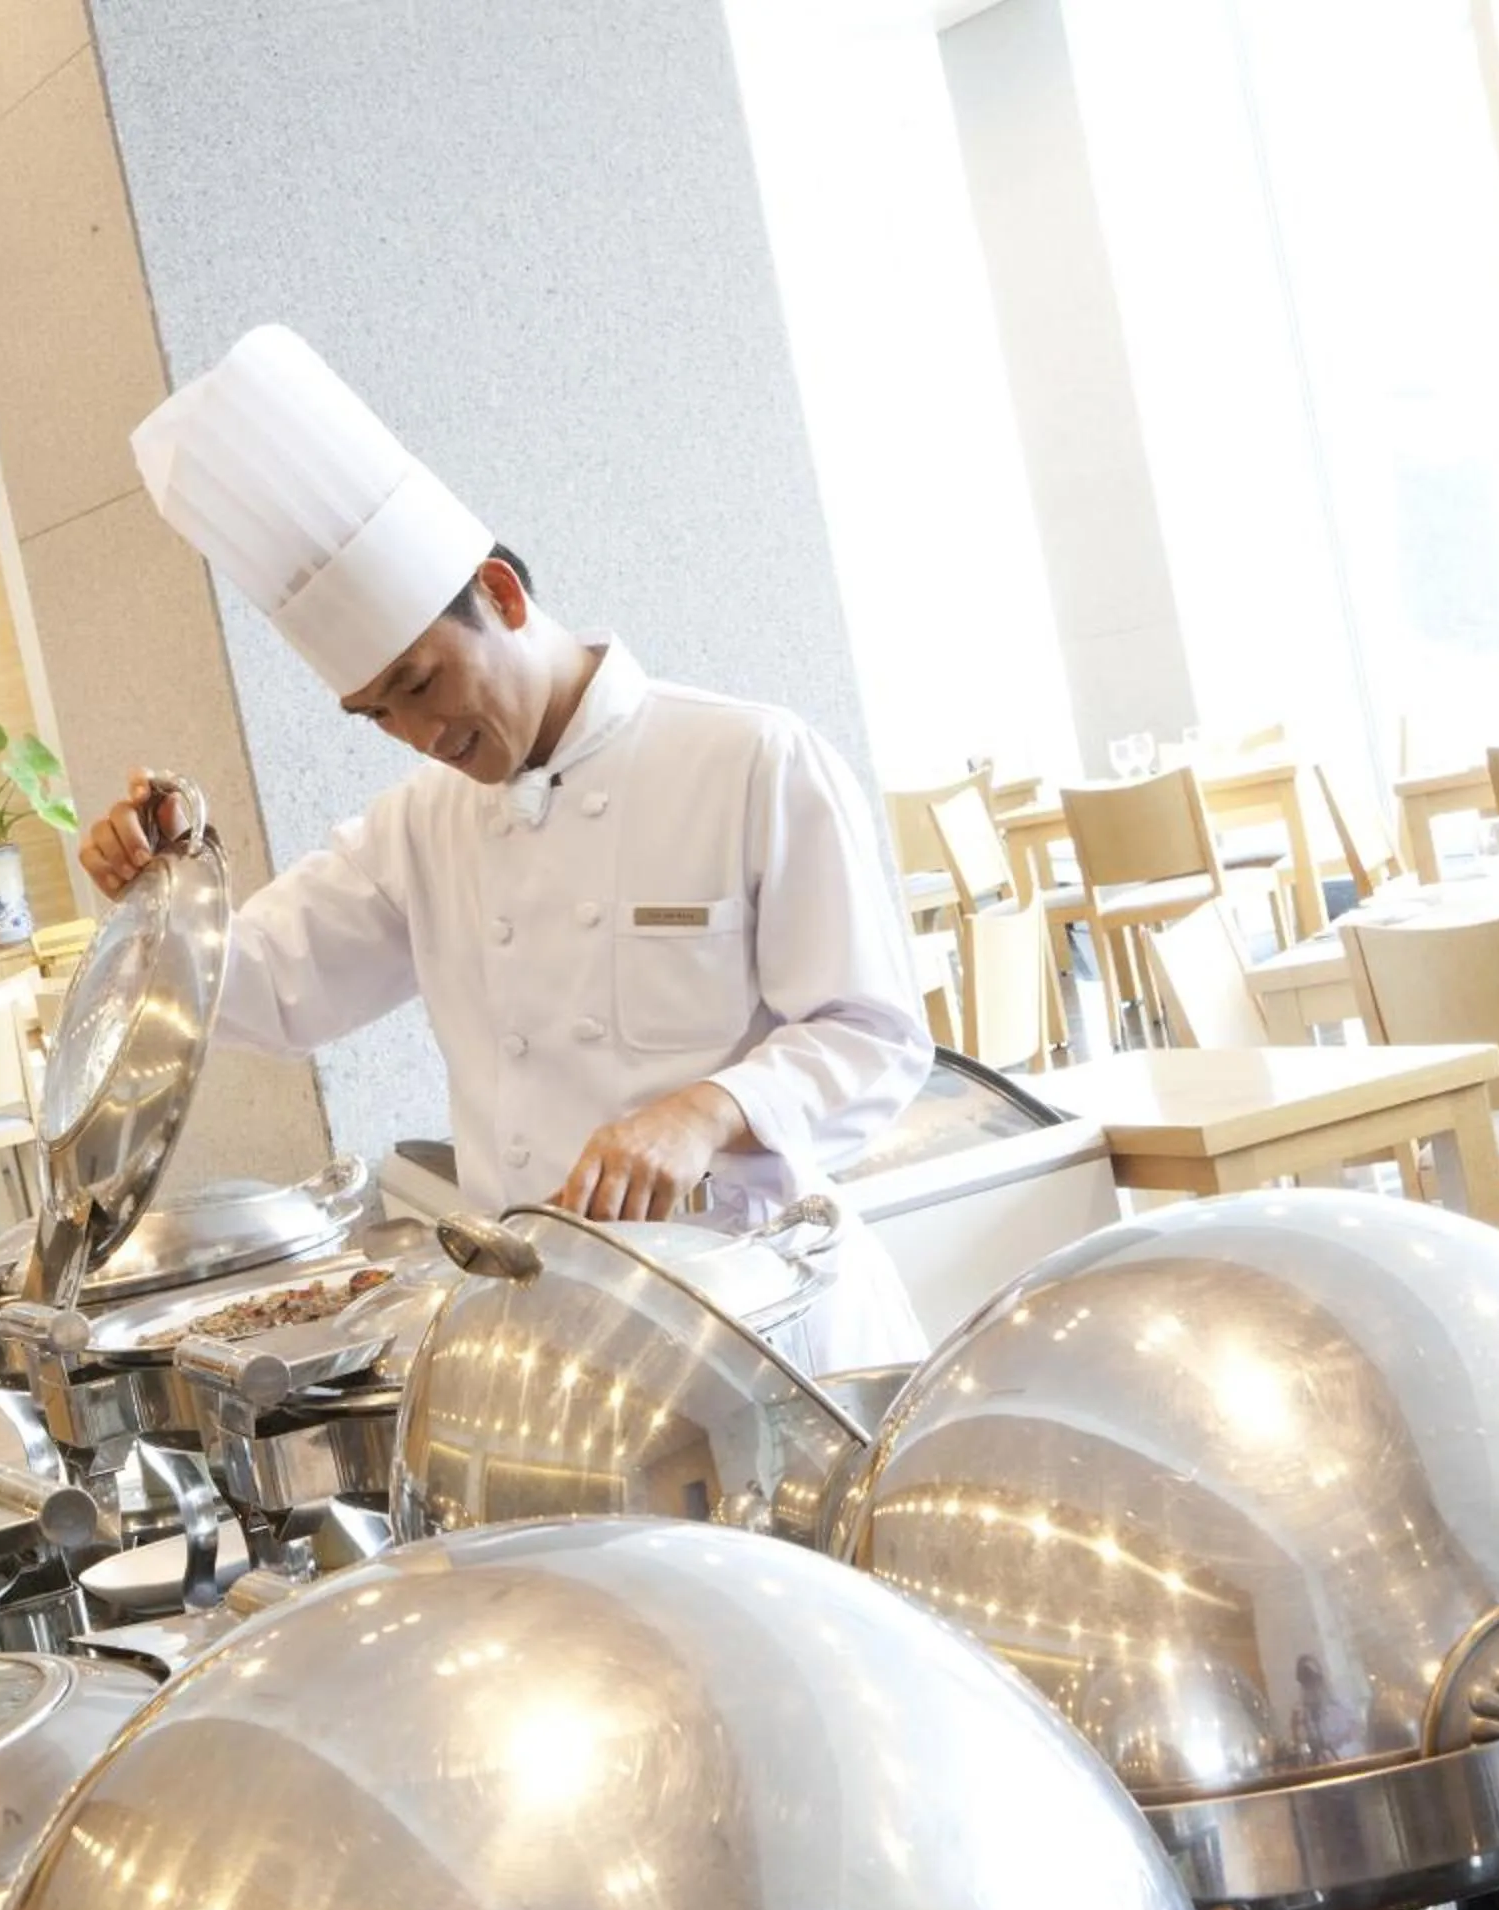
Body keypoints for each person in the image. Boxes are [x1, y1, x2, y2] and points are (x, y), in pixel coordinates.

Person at [80, 325, 932, 1369]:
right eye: (375, 712)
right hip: (556, 1349)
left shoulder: (749, 758)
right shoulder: (420, 825)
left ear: (504, 595)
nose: (419, 734)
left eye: (423, 682)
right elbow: (268, 992)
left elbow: (875, 1038)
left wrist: (709, 1110)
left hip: (768, 1328)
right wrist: (165, 895)